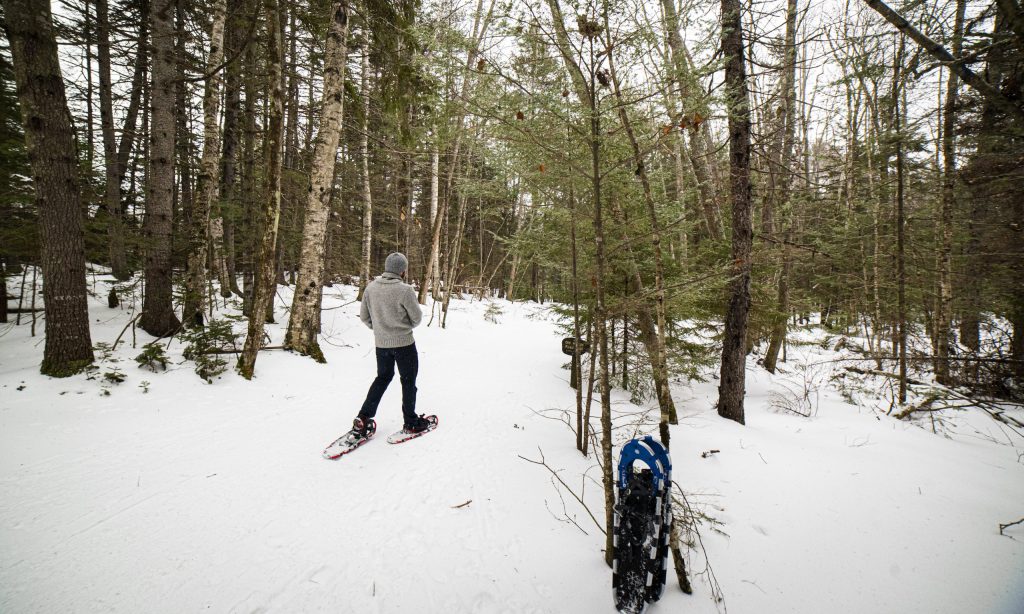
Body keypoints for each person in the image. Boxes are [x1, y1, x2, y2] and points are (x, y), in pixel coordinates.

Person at [353, 252, 434, 437]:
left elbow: (365, 317)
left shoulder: (370, 288)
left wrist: (381, 330)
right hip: (404, 344)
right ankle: (411, 422)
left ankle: (363, 418)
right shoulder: (405, 290)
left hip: (381, 345)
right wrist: (402, 328)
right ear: (402, 270)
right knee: (408, 381)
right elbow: (417, 318)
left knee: (382, 378)